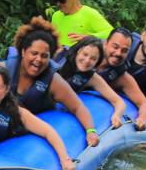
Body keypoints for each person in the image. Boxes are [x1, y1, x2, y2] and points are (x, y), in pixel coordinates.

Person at [8, 17, 100, 147]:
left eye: (44, 56)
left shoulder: (53, 81)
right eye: (34, 53)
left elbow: (78, 107)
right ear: (23, 51)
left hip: (34, 127)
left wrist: (91, 131)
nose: (38, 60)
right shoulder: (5, 70)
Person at [57, 36, 127, 130]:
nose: (87, 61)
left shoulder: (92, 78)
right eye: (85, 54)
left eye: (93, 59)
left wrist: (117, 116)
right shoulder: (59, 56)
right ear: (78, 51)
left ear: (97, 62)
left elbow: (119, 102)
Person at [97, 28, 146, 130]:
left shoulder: (122, 77)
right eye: (115, 47)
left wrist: (142, 118)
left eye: (124, 51)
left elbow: (144, 104)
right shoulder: (87, 56)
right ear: (106, 43)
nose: (118, 53)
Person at [48, 0, 114, 49]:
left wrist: (89, 38)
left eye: (62, 0)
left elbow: (112, 34)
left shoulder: (89, 13)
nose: (58, 4)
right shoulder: (56, 16)